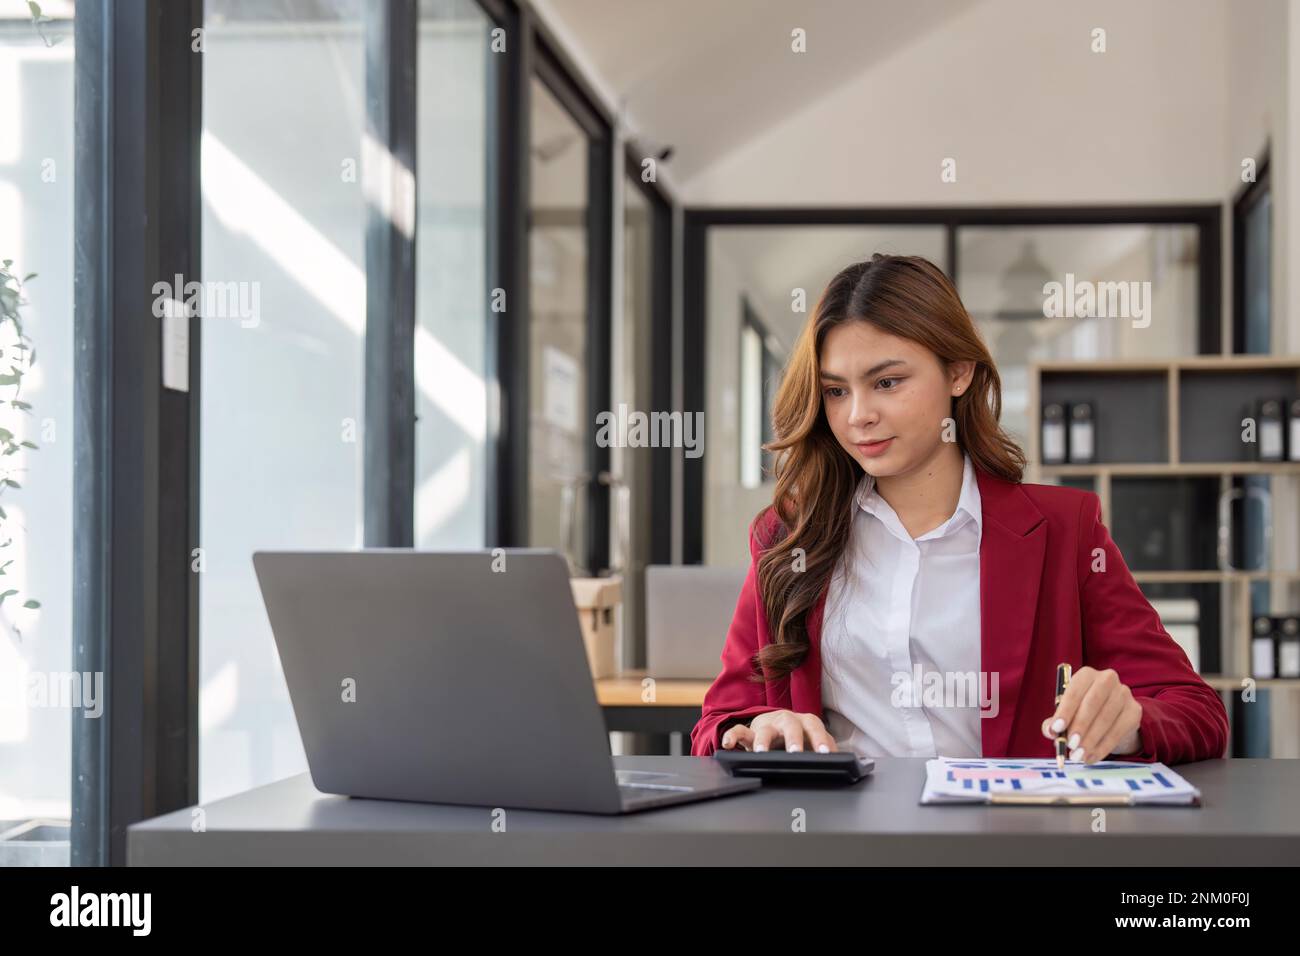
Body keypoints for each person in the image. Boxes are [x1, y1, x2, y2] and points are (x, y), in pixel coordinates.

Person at [690, 254, 1228, 765]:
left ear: (959, 373)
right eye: (835, 391)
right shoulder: (789, 537)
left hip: (1009, 840)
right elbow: (718, 721)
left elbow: (1197, 711)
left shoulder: (1066, 530)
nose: (858, 416)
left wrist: (1127, 723)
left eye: (887, 382)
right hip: (841, 838)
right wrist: (758, 728)